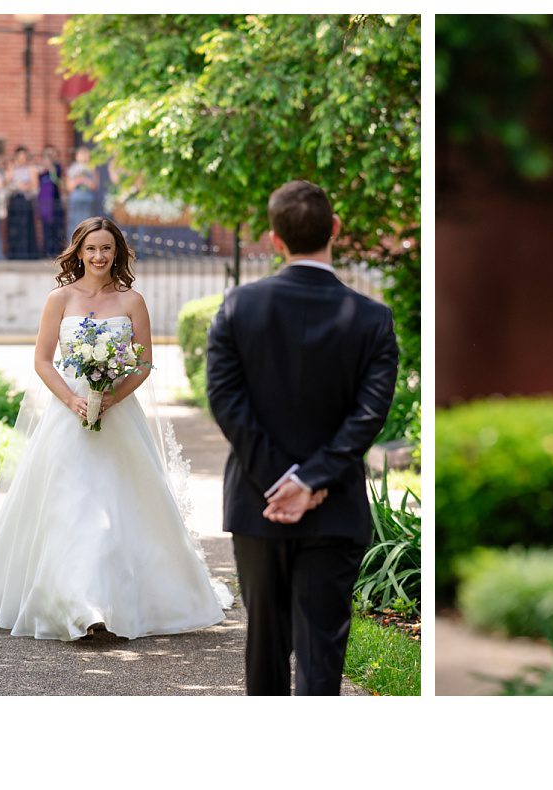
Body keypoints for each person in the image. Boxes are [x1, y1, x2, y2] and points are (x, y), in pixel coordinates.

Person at [0, 215, 231, 642]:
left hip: (117, 414)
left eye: (107, 249)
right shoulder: (59, 299)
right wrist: (73, 399)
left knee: (120, 508)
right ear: (78, 252)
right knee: (71, 508)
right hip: (68, 414)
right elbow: (43, 360)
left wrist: (113, 396)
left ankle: (116, 603)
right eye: (91, 249)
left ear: (117, 254)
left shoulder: (132, 301)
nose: (99, 257)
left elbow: (146, 362)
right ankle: (80, 609)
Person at [207, 180, 400, 695]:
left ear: (274, 240)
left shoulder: (237, 307)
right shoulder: (374, 319)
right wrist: (312, 480)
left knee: (264, 648)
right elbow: (368, 415)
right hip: (334, 509)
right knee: (321, 656)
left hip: (258, 502)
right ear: (334, 229)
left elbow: (226, 401)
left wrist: (280, 481)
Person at [4, 146, 38, 259]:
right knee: (14, 227)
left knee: (26, 227)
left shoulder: (31, 168)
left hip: (25, 200)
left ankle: (27, 253)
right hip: (14, 199)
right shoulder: (12, 168)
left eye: (24, 156)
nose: (22, 159)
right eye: (20, 156)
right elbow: (6, 182)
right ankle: (14, 253)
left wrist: (24, 186)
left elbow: (35, 185)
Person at [37, 146, 65, 257]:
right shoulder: (41, 172)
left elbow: (58, 183)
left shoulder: (57, 168)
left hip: (55, 201)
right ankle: (46, 251)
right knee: (46, 228)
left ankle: (56, 250)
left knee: (56, 227)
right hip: (44, 203)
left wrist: (52, 171)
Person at [65, 147, 99, 233]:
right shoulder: (72, 169)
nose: (84, 157)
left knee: (88, 223)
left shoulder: (92, 168)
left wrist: (85, 181)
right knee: (74, 223)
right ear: (77, 156)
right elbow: (68, 187)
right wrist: (78, 180)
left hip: (87, 198)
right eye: (81, 154)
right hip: (75, 199)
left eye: (86, 155)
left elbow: (95, 185)